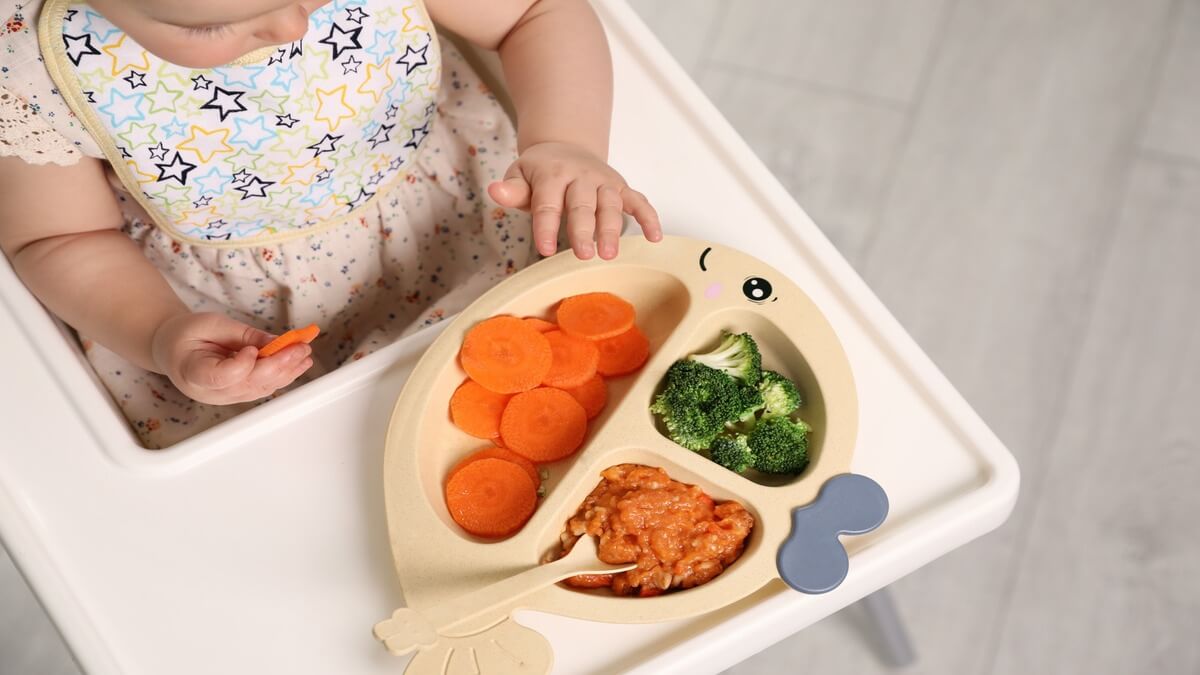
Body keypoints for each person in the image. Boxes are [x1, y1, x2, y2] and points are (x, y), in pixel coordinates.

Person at [0, 0, 661, 447]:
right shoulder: (29, 61)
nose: (291, 27)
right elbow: (59, 239)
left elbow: (536, 13)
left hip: (455, 217)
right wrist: (160, 333)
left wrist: (565, 143)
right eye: (212, 28)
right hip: (221, 310)